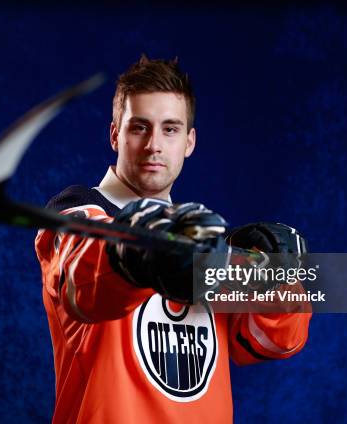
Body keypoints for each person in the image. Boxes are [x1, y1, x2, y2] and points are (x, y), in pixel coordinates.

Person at [35, 55, 311, 423]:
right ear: (115, 133)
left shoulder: (207, 242)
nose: (154, 145)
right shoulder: (74, 214)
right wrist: (141, 253)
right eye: (139, 128)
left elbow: (271, 341)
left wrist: (280, 278)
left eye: (170, 129)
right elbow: (84, 283)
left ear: (189, 141)